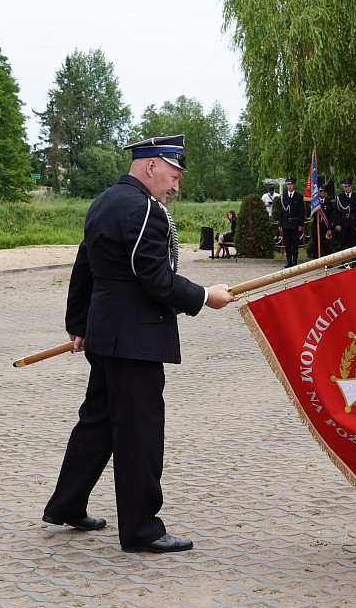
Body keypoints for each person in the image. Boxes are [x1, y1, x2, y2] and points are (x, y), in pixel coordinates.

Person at [42, 135, 235, 553]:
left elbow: (84, 265)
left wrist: (78, 323)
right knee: (140, 434)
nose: (176, 185)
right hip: (136, 340)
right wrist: (205, 295)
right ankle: (142, 530)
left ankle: (66, 504)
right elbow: (155, 279)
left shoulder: (104, 201)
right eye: (173, 174)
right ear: (151, 166)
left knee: (97, 423)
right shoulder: (147, 209)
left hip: (107, 335)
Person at [276, 176, 304, 268]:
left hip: (295, 223)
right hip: (286, 223)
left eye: (291, 184)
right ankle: (289, 261)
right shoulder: (283, 197)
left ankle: (295, 261)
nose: (290, 186)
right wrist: (280, 223)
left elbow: (301, 212)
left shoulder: (299, 197)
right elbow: (281, 212)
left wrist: (300, 224)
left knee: (295, 242)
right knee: (287, 243)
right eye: (288, 184)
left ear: (294, 185)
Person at [332, 179, 356, 252]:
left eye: (349, 186)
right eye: (345, 186)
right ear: (343, 187)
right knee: (343, 243)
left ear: (351, 186)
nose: (347, 188)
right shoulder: (339, 197)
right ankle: (344, 260)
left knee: (354, 243)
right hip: (343, 224)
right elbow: (337, 212)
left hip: (353, 223)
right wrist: (337, 224)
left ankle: (354, 261)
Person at [306, 190, 332, 259]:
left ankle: (327, 261)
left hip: (325, 227)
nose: (323, 192)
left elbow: (330, 217)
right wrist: (311, 206)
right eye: (321, 191)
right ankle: (316, 261)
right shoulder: (315, 203)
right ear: (318, 192)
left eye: (324, 191)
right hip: (316, 226)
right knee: (316, 244)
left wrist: (329, 228)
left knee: (326, 245)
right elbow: (308, 215)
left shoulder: (329, 203)